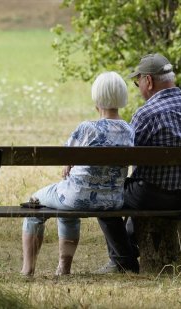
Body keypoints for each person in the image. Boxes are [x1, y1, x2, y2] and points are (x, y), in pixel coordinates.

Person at [95, 53, 181, 274]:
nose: (138, 88)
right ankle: (129, 250)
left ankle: (123, 260)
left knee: (102, 196)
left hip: (150, 196)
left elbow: (124, 156)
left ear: (148, 81)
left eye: (138, 83)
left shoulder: (146, 114)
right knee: (136, 188)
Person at [21, 71, 135, 276]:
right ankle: (63, 268)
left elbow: (65, 158)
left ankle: (27, 269)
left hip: (77, 197)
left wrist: (69, 163)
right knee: (66, 205)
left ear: (96, 98)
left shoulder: (87, 128)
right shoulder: (129, 130)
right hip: (112, 201)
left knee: (34, 202)